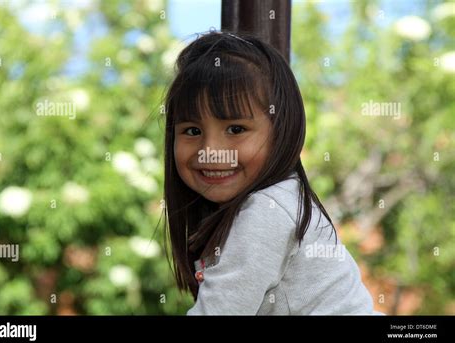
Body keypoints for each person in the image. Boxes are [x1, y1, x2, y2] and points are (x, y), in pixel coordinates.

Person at [163, 30, 382, 315]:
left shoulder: (266, 211)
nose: (211, 150)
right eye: (192, 131)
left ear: (282, 131)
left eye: (236, 129)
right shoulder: (270, 204)